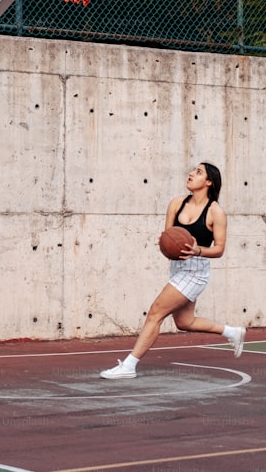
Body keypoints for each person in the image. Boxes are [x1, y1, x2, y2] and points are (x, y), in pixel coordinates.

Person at [100, 162, 246, 379]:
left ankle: (129, 366)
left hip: (195, 271)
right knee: (184, 322)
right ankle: (232, 332)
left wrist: (197, 251)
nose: (190, 174)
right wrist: (169, 247)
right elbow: (168, 238)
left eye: (198, 172)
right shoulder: (177, 203)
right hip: (177, 266)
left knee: (155, 312)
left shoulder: (216, 212)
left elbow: (219, 249)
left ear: (208, 182)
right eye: (192, 170)